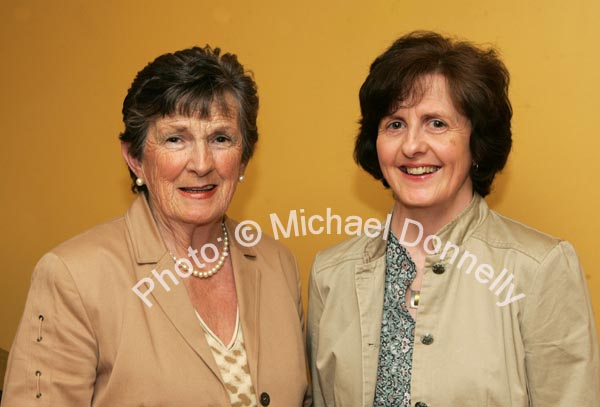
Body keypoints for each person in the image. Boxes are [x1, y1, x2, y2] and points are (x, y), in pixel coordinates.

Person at [3, 45, 309, 406]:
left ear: (243, 159)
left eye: (220, 138)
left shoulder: (278, 264)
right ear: (135, 159)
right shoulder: (73, 277)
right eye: (175, 138)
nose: (201, 163)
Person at [307, 31, 599, 407]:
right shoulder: (331, 274)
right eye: (395, 124)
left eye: (437, 123)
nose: (412, 145)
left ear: (476, 143)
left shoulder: (540, 268)